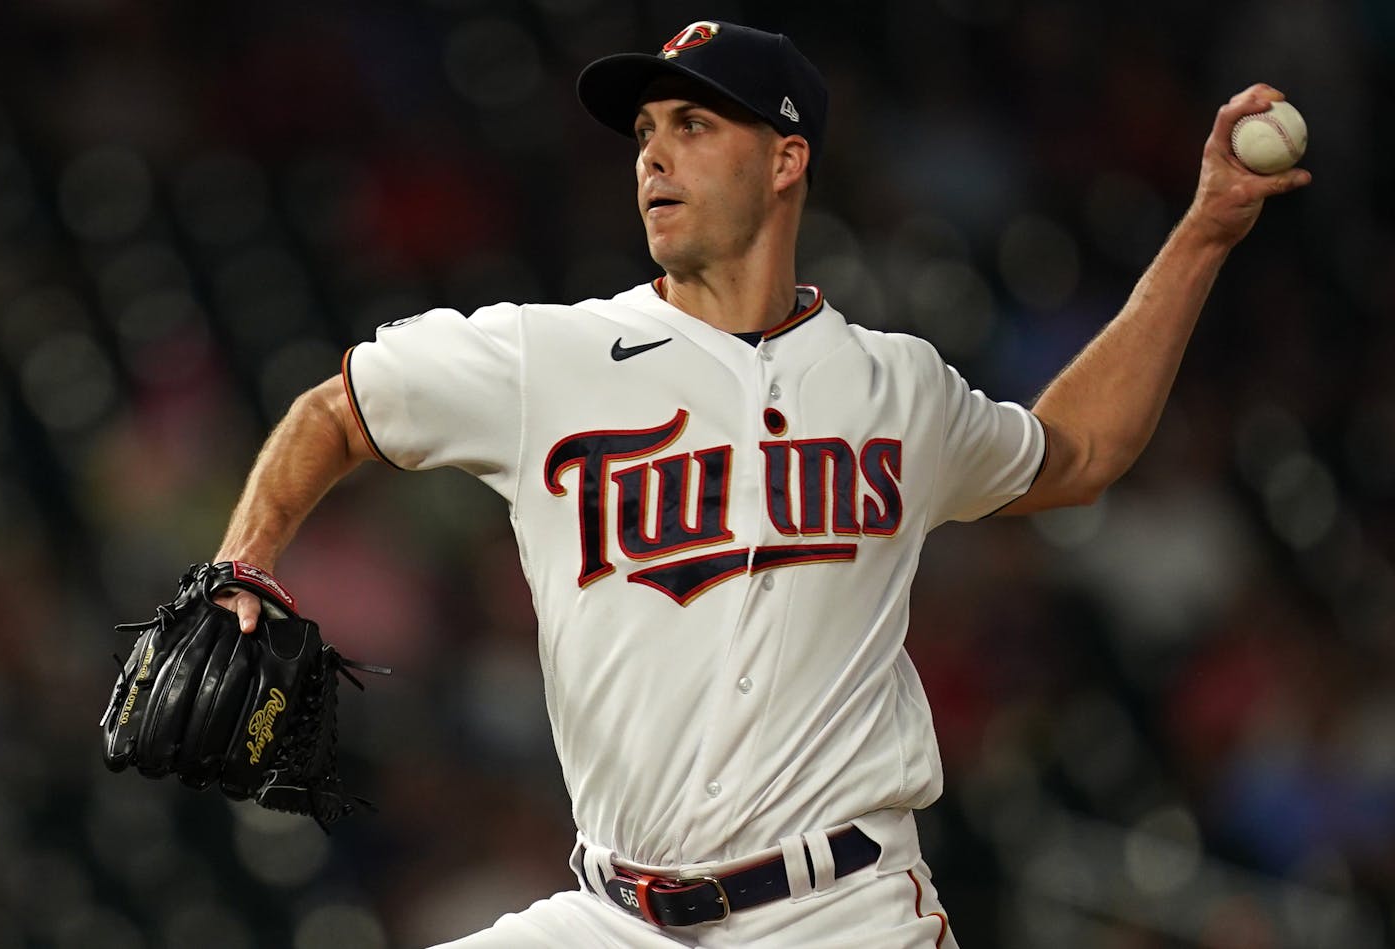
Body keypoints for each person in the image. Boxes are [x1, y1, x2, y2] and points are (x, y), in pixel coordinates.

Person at [209, 20, 1309, 949]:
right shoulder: (547, 359)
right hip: (615, 914)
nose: (652, 157)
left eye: (692, 126)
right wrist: (243, 557)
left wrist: (1205, 232)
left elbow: (1072, 455)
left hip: (838, 911)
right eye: (644, 133)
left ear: (785, 159)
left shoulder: (896, 384)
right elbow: (338, 409)